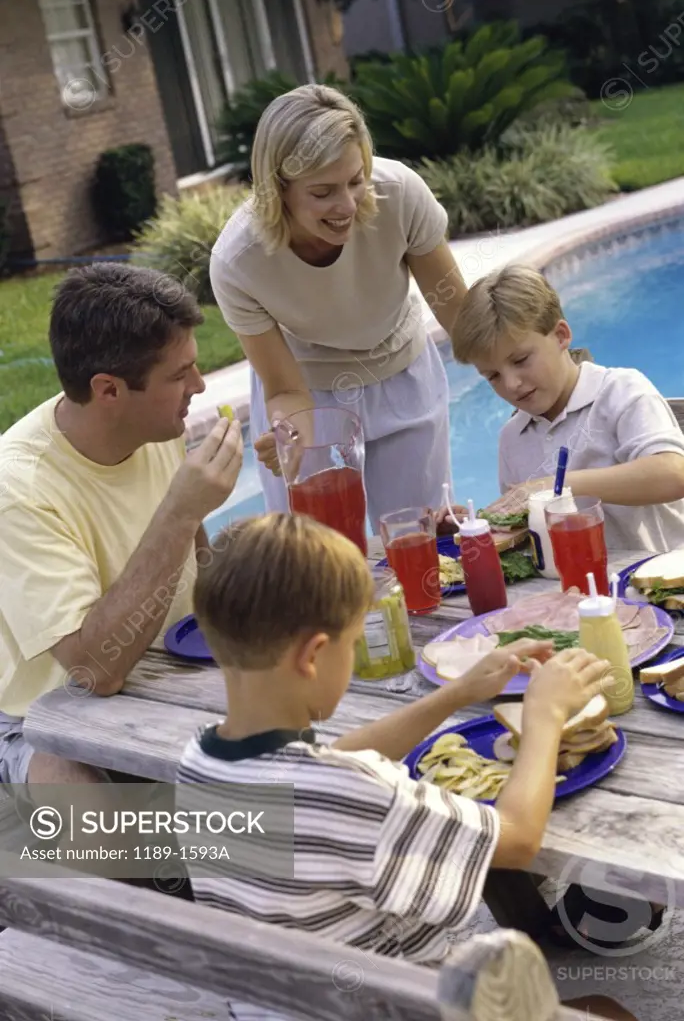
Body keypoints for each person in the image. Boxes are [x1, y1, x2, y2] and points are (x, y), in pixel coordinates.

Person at [176, 512, 637, 1021]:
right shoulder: (350, 796)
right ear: (314, 656)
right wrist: (545, 716)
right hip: (401, 1006)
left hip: (281, 1004)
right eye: (352, 645)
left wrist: (458, 693)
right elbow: (519, 838)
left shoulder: (201, 760)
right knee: (610, 1012)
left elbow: (335, 761)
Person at [0, 263, 244, 787]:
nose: (199, 386)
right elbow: (94, 672)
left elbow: (197, 566)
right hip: (44, 716)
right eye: (180, 375)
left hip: (164, 670)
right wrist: (179, 511)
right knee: (105, 826)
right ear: (108, 390)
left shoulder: (155, 427)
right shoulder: (17, 489)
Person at [209, 83, 467, 532]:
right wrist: (291, 437)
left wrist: (526, 369)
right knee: (313, 565)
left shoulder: (399, 194)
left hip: (402, 373)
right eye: (323, 191)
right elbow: (285, 391)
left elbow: (460, 315)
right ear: (278, 188)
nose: (347, 204)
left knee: (421, 544)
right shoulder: (239, 260)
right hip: (307, 391)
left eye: (355, 180)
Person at [447, 263, 684, 551]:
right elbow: (528, 535)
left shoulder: (620, 391)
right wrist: (477, 525)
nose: (511, 384)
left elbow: (673, 474)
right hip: (575, 590)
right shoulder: (513, 437)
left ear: (560, 335)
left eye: (520, 360)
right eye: (493, 376)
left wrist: (555, 485)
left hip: (659, 583)